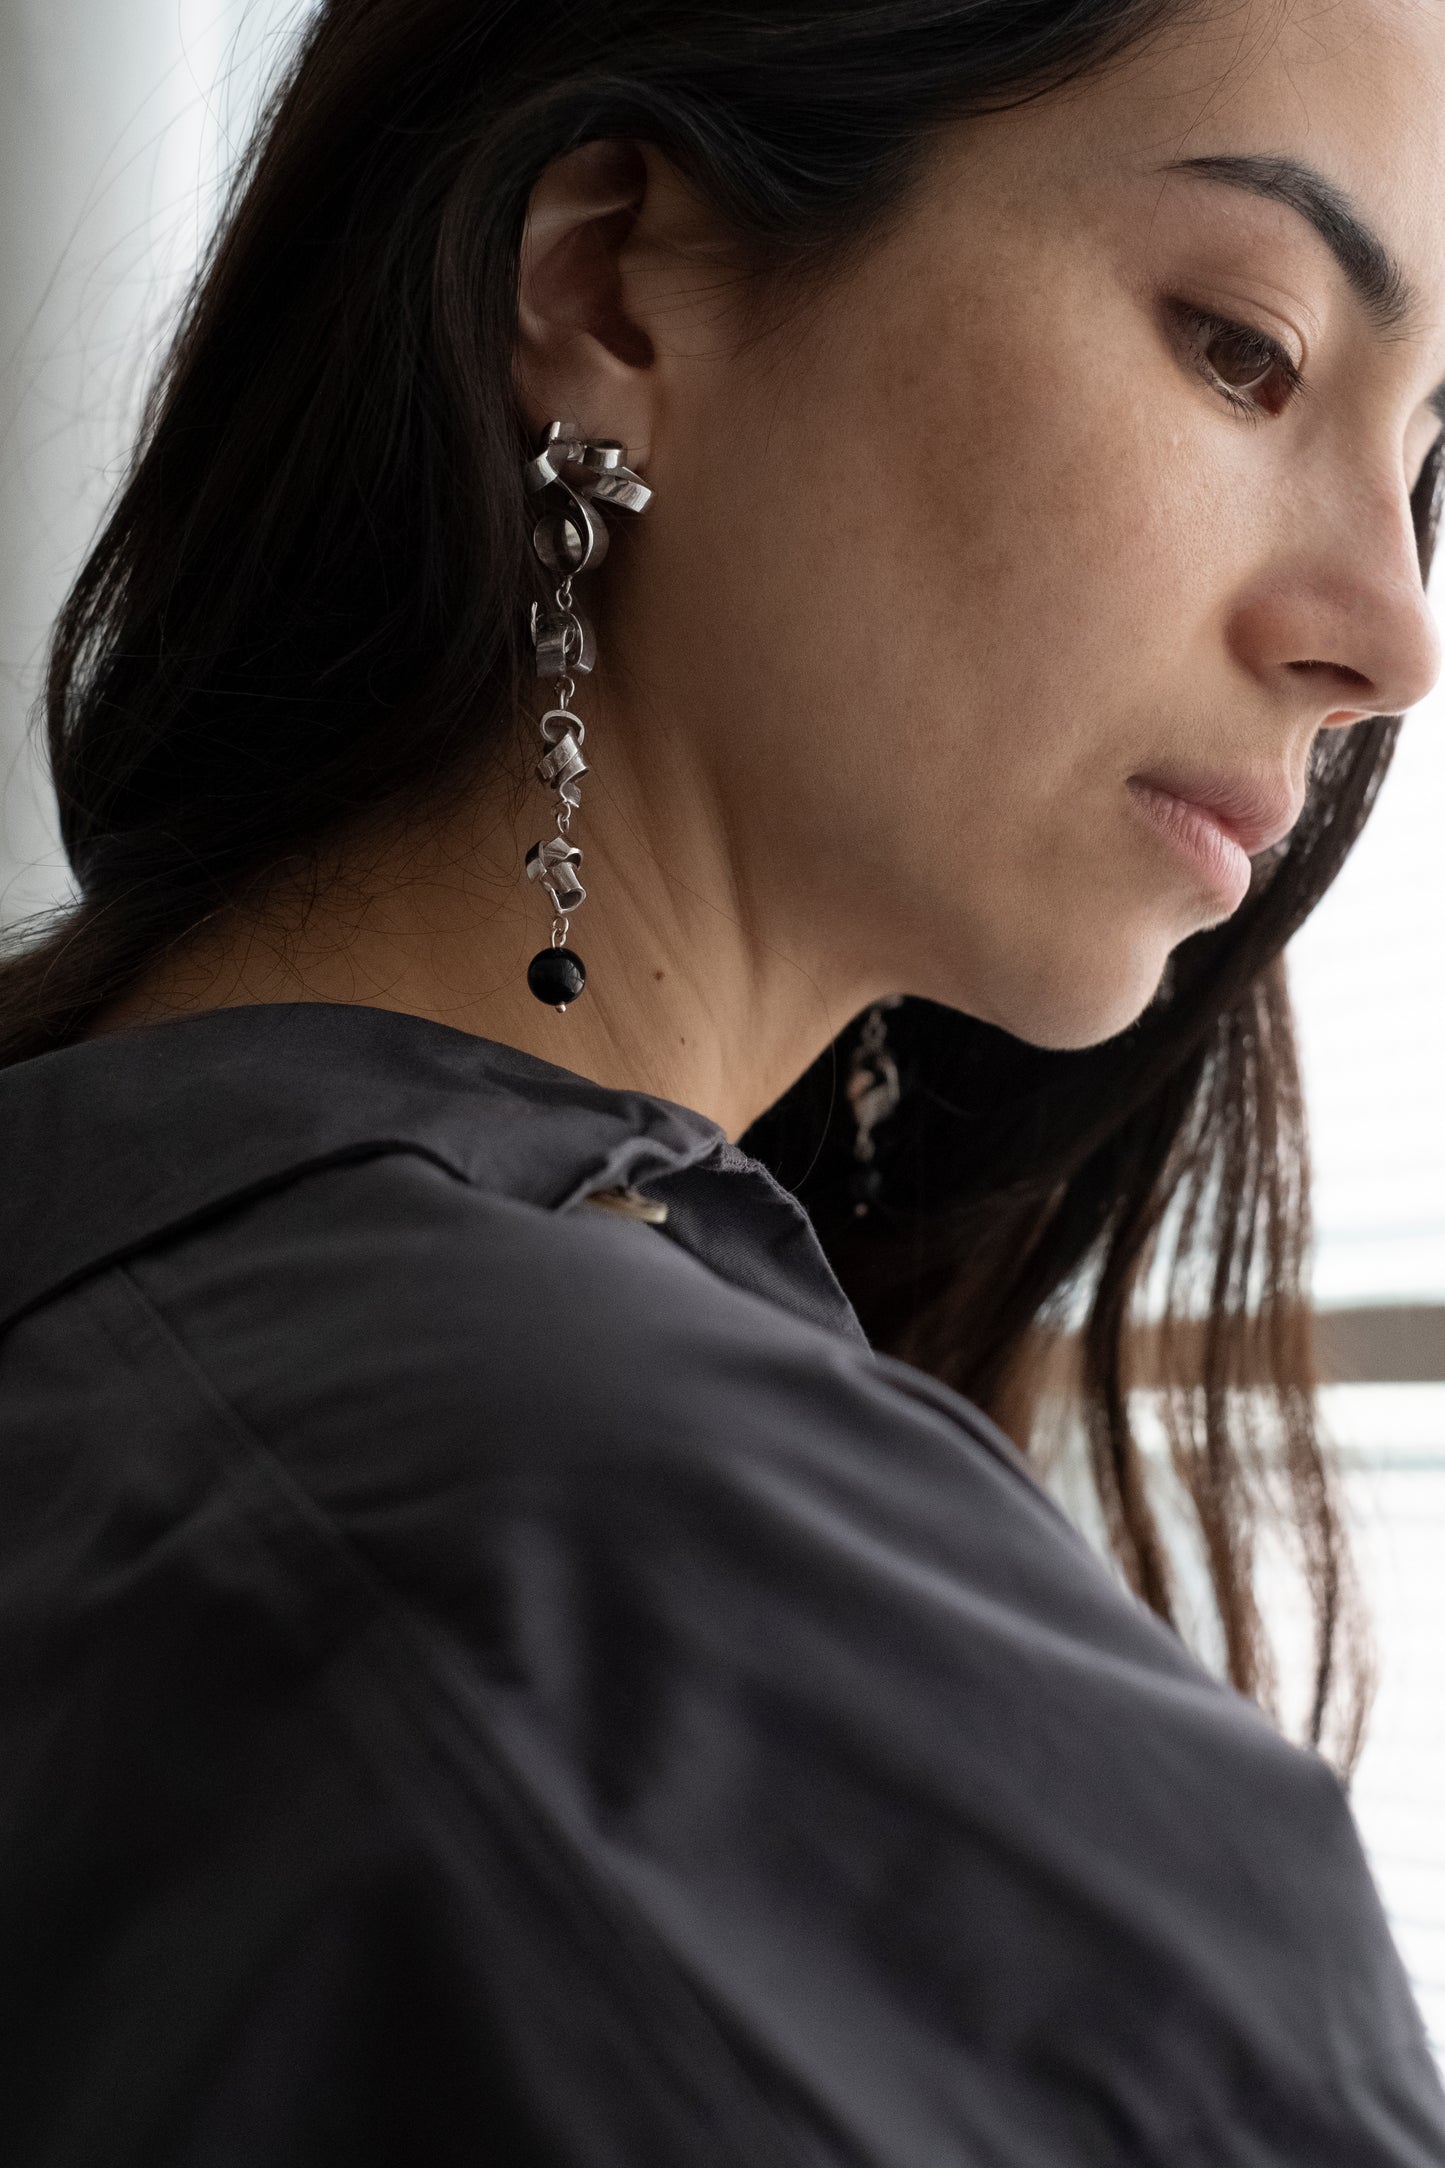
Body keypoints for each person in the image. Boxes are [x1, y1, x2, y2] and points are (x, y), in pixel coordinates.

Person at [2, 0, 1443, 2159]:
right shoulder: (597, 1575)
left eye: (1430, 464)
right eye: (1243, 347)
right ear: (608, 281)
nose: (1394, 626)